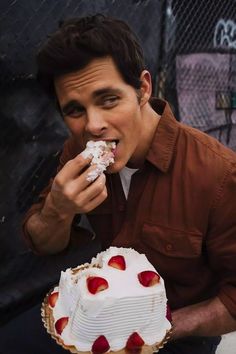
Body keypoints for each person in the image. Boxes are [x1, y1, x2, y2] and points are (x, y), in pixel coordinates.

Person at [21, 14, 236, 353]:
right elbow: (44, 243)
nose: (94, 125)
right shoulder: (77, 152)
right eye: (75, 110)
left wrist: (153, 331)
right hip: (97, 314)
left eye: (109, 100)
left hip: (180, 330)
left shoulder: (218, 174)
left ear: (143, 89)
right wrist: (57, 211)